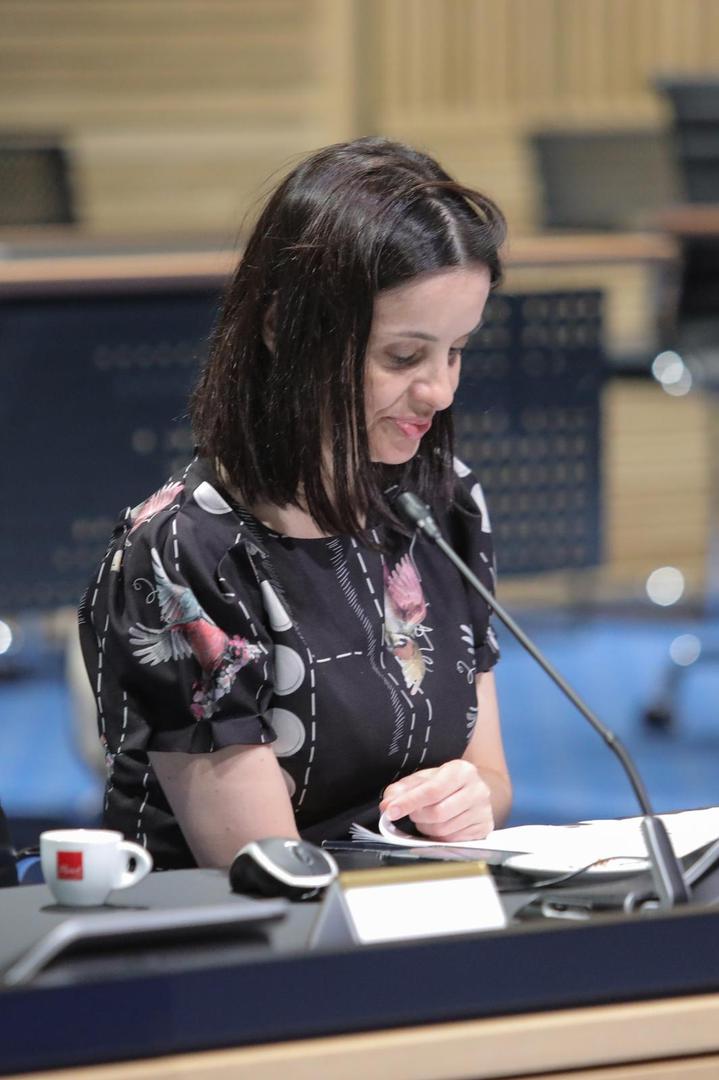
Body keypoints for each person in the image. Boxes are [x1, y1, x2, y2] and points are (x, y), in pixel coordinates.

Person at [78, 137, 512, 870]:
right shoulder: (185, 557)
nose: (439, 391)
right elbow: (268, 870)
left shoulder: (444, 503)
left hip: (408, 917)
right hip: (236, 954)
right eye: (403, 357)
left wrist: (469, 799)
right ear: (285, 330)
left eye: (456, 350)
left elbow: (492, 781)